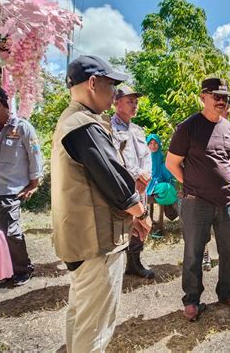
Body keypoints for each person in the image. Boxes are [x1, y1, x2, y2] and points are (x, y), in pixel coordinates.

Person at [52, 55, 152, 352]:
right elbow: (118, 182)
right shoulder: (84, 125)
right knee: (95, 325)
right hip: (96, 241)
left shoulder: (70, 120)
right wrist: (141, 214)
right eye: (111, 86)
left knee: (82, 313)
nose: (114, 95)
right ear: (93, 83)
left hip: (80, 237)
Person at [166, 77, 230, 321]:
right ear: (203, 97)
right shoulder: (188, 127)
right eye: (217, 96)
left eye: (226, 97)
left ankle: (227, 293)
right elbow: (172, 163)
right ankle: (192, 301)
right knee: (193, 252)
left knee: (229, 250)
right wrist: (191, 185)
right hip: (196, 202)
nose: (222, 101)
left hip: (226, 203)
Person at [0, 87, 43, 286]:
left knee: (11, 233)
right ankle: (2, 271)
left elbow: (35, 154)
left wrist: (34, 182)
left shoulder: (22, 127)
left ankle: (23, 268)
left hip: (10, 190)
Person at [111, 85, 154, 279]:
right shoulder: (110, 128)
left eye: (136, 102)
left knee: (140, 225)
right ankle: (114, 269)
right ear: (116, 103)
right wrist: (137, 175)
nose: (134, 105)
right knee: (120, 226)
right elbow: (116, 159)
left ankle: (134, 263)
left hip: (141, 187)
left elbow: (147, 156)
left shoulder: (137, 130)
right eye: (130, 101)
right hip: (123, 186)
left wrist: (146, 175)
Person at [202, 96, 230, 271]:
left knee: (226, 236)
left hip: (224, 196)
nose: (226, 114)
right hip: (200, 194)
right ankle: (205, 257)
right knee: (202, 234)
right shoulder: (200, 128)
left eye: (228, 112)